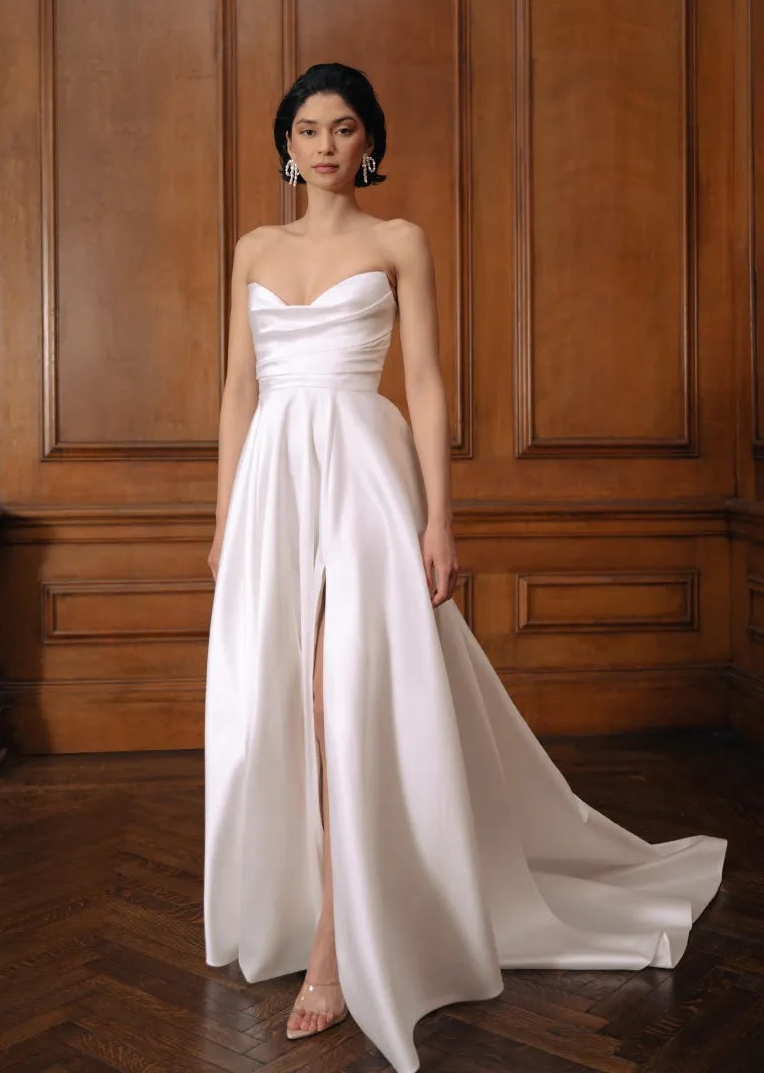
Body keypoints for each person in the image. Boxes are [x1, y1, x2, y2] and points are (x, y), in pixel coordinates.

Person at [203, 62, 727, 1073]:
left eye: (344, 128)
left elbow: (431, 383)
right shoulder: (252, 248)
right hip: (273, 486)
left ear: (370, 144)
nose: (324, 145)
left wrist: (441, 518)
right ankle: (333, 903)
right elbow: (234, 391)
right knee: (286, 703)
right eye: (307, 128)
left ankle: (336, 944)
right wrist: (225, 520)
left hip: (363, 475)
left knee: (337, 695)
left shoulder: (399, 242)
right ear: (285, 145)